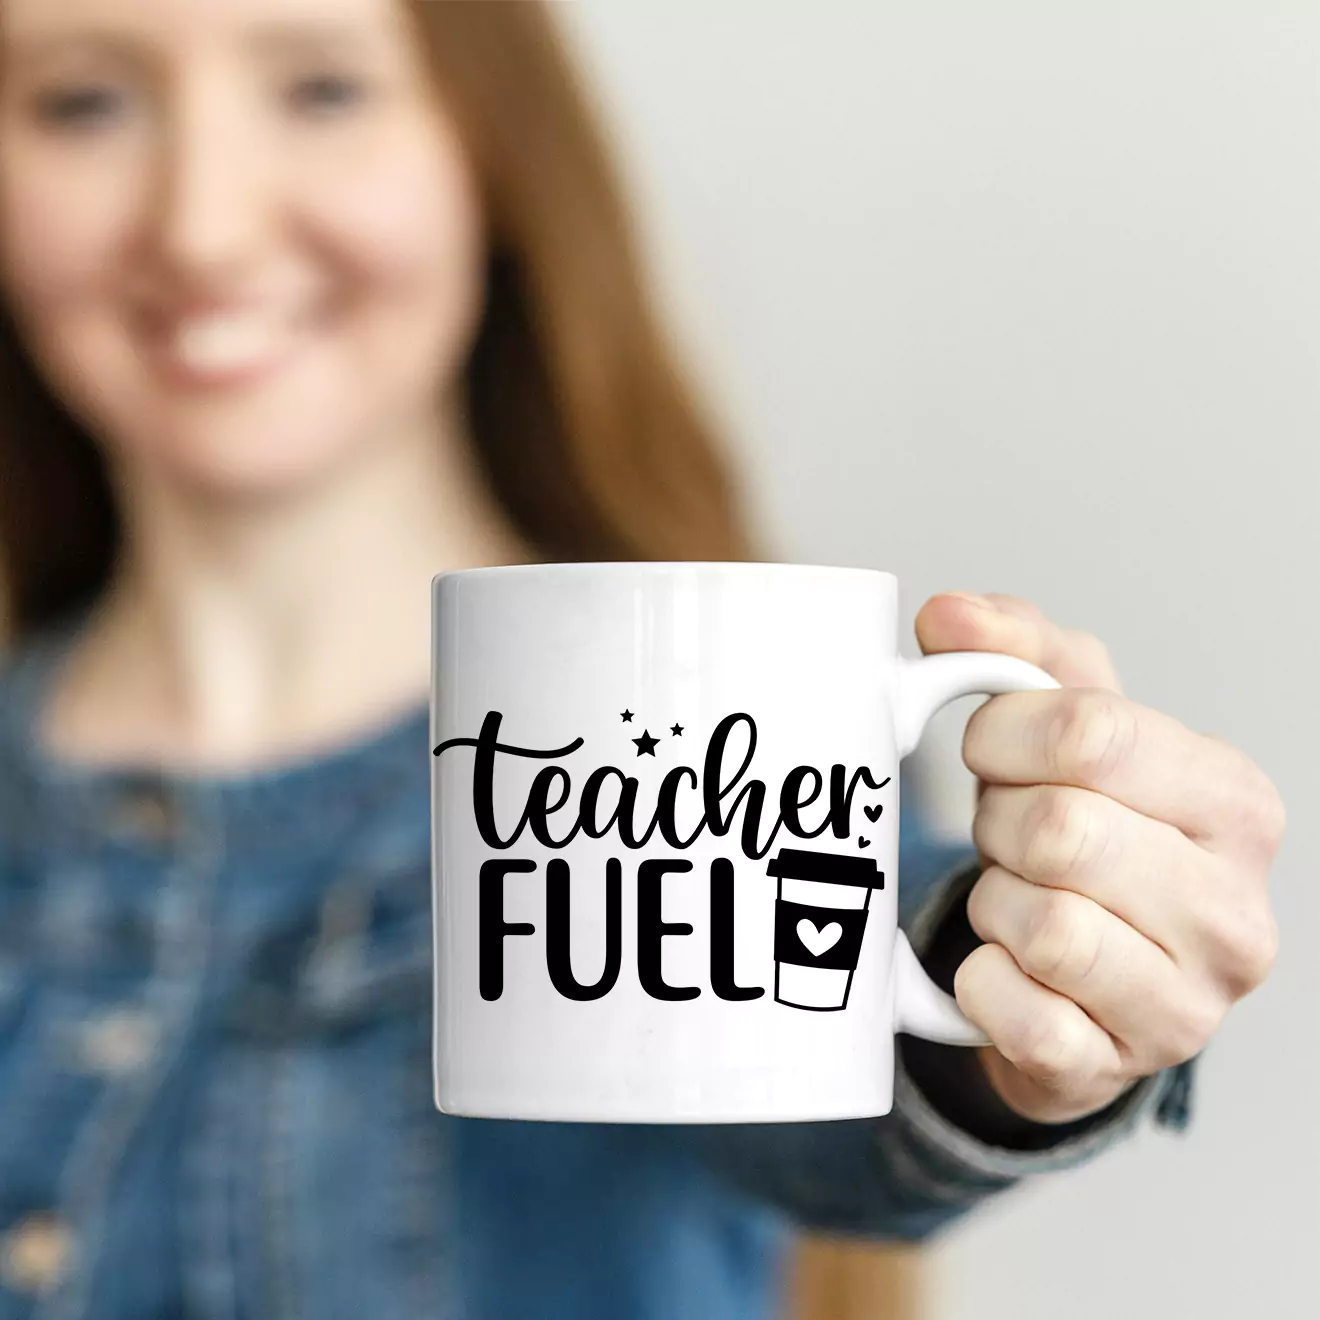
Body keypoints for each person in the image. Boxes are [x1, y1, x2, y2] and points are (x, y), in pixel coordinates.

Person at [0, 2, 1283, 1318]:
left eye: (323, 89)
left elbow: (860, 1075)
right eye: (82, 103)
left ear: (493, 150)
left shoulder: (701, 721)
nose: (199, 224)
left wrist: (1034, 996)